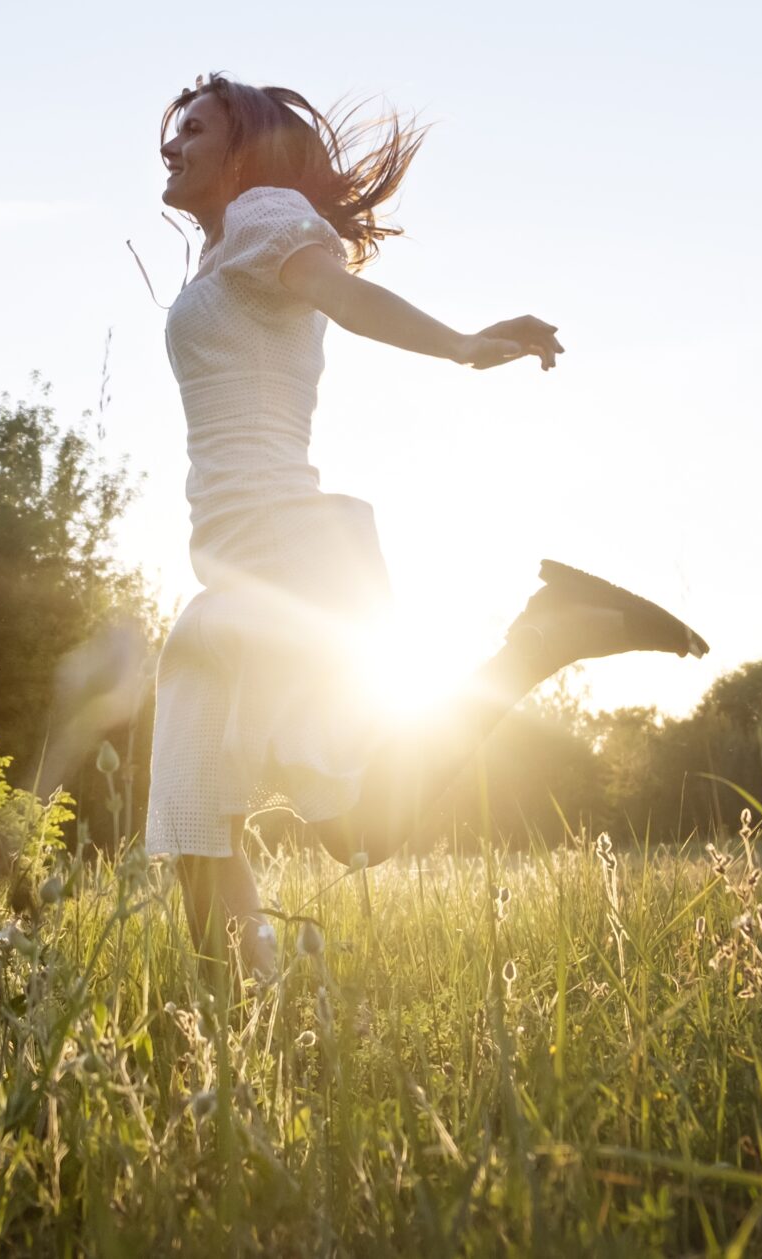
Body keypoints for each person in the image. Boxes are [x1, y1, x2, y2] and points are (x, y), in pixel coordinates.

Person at [143, 72, 707, 980]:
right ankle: (252, 1012)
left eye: (194, 130)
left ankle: (542, 639)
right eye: (171, 132)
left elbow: (344, 295)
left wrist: (461, 344)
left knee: (358, 829)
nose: (171, 146)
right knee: (190, 818)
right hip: (232, 574)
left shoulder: (263, 216)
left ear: (244, 150)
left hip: (284, 561)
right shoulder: (220, 253)